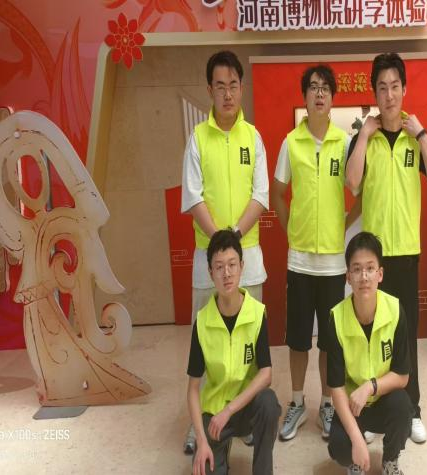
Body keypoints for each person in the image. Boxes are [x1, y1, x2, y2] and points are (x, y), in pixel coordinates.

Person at [344, 52, 427, 444]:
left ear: (404, 90)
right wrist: (363, 136)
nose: (389, 95)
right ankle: (373, 414)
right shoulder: (365, 140)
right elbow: (353, 183)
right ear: (374, 92)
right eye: (382, 87)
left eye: (395, 87)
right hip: (373, 260)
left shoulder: (413, 138)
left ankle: (413, 409)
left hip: (405, 252)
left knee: (404, 334)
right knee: (373, 335)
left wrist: (421, 134)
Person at [181, 50, 269, 453]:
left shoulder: (254, 138)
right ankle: (199, 421)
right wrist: (220, 246)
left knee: (249, 343)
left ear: (241, 88)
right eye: (220, 86)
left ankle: (245, 416)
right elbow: (193, 196)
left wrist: (233, 241)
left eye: (233, 85)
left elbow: (260, 195)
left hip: (248, 257)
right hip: (208, 260)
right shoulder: (198, 139)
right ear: (209, 90)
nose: (228, 93)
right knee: (206, 343)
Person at [272, 64, 360, 441]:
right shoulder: (291, 143)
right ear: (305, 97)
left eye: (325, 88)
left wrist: (342, 224)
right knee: (297, 339)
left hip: (333, 264)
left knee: (328, 340)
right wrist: (292, 230)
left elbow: (359, 192)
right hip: (300, 260)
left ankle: (326, 404)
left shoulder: (345, 143)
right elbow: (278, 193)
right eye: (313, 87)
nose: (319, 94)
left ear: (332, 97)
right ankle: (296, 402)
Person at [186, 230, 281, 475]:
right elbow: (193, 389)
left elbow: (266, 374)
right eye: (219, 267)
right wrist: (201, 440)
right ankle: (219, 447)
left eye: (232, 265)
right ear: (210, 273)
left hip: (246, 407)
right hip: (215, 414)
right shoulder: (202, 322)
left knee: (269, 403)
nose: (226, 273)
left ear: (241, 266)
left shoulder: (257, 313)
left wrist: (230, 410)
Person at [326, 232, 412, 475]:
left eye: (370, 268)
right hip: (353, 404)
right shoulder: (336, 317)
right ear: (348, 277)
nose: (364, 277)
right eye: (356, 269)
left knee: (403, 408)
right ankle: (355, 462)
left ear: (380, 274)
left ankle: (390, 460)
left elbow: (402, 376)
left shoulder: (395, 310)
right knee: (339, 445)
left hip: (382, 397)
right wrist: (356, 439)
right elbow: (336, 387)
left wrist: (370, 387)